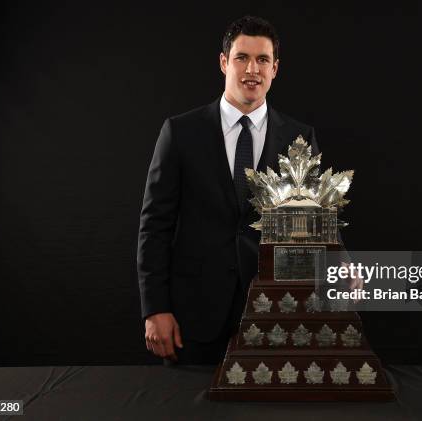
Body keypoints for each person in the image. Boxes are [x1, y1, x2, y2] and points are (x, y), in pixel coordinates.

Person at [137, 16, 319, 364]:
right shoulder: (180, 132)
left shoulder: (300, 138)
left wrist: (340, 264)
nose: (252, 69)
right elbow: (154, 227)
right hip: (193, 319)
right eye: (242, 58)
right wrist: (155, 308)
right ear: (224, 62)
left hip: (273, 317)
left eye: (263, 60)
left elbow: (311, 223)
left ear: (275, 68)